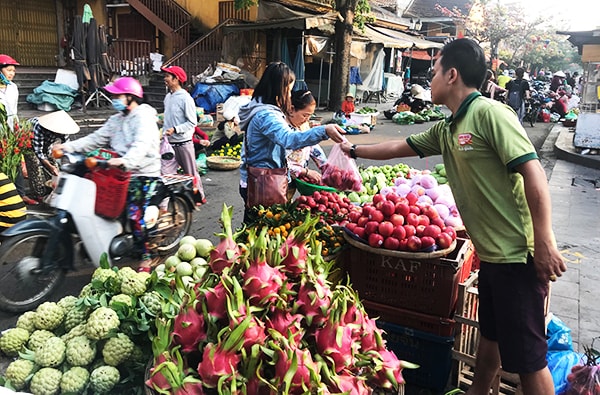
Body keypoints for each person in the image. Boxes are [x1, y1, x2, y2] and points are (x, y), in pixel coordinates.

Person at [340, 38, 566, 395]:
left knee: (528, 360)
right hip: (492, 257)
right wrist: (351, 148)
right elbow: (397, 147)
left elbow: (533, 173)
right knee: (489, 335)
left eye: (434, 72)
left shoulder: (490, 114)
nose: (429, 80)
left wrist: (544, 241)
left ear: (452, 75)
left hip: (516, 257)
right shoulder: (447, 129)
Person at [54, 77, 161, 272]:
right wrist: (67, 147)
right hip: (117, 170)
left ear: (130, 97)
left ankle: (147, 254)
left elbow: (141, 145)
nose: (113, 99)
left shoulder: (143, 118)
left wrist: (126, 161)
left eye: (117, 95)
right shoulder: (116, 120)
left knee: (135, 214)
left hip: (142, 172)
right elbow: (95, 139)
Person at [238, 61, 345, 223]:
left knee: (256, 227)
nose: (289, 96)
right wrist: (323, 130)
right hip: (262, 183)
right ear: (278, 89)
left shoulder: (261, 108)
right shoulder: (266, 116)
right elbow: (289, 140)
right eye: (288, 91)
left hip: (259, 180)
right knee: (259, 229)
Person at [160, 65, 206, 206]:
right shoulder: (168, 97)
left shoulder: (186, 98)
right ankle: (163, 206)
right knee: (165, 174)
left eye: (168, 76)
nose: (165, 79)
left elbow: (192, 122)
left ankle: (199, 197)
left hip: (184, 142)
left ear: (176, 79)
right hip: (168, 144)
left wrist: (176, 129)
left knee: (190, 173)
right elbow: (167, 118)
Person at [285, 90, 328, 198]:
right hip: (280, 181)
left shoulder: (303, 126)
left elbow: (312, 146)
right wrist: (306, 172)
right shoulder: (283, 131)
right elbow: (280, 163)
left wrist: (325, 165)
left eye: (310, 116)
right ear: (291, 110)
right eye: (305, 115)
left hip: (296, 179)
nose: (306, 120)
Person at [0, 54, 19, 130]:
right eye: (8, 70)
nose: (12, 73)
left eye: (13, 71)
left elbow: (14, 108)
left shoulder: (13, 87)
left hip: (12, 124)